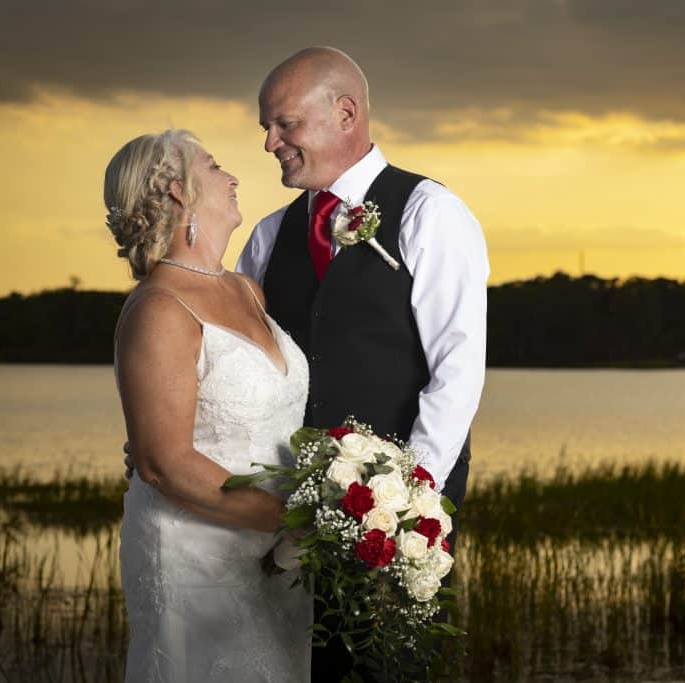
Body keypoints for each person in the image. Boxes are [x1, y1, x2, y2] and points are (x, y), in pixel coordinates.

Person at [237, 47, 488, 680]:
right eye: (266, 127)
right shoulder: (269, 235)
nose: (269, 142)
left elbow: (458, 368)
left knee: (391, 669)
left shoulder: (431, 212)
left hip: (398, 520)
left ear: (344, 112)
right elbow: (236, 361)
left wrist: (409, 500)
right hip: (290, 515)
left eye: (283, 123)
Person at [108, 130, 311, 682]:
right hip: (196, 557)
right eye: (216, 166)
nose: (233, 176)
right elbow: (163, 464)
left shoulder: (248, 291)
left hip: (278, 557)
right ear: (178, 191)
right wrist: (297, 521)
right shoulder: (159, 308)